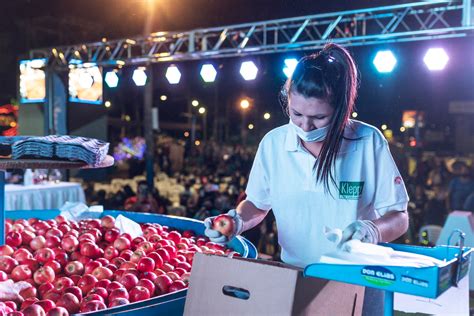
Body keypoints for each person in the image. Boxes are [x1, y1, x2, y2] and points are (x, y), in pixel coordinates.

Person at [203, 43, 409, 315]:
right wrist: (236, 221)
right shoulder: (274, 144)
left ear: (342, 109)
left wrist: (373, 230)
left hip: (357, 280)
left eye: (319, 117)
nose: (305, 125)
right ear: (288, 99)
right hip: (294, 278)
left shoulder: (367, 141)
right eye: (296, 113)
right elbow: (258, 204)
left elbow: (399, 216)